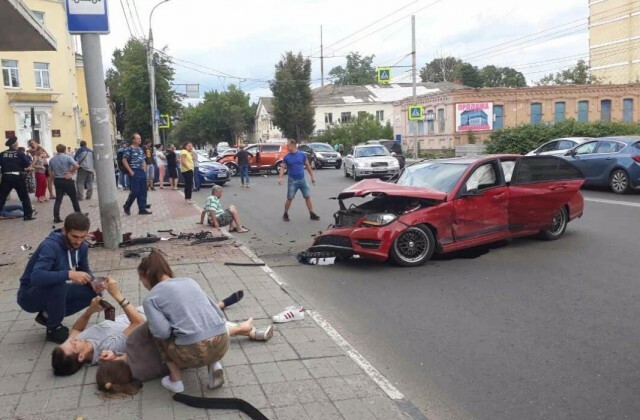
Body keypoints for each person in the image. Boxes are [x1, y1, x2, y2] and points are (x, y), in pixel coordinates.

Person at [139, 250, 229, 393]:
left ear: (146, 275)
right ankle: (214, 364)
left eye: (141, 279)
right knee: (203, 323)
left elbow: (162, 332)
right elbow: (217, 312)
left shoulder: (151, 298)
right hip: (223, 342)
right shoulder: (190, 281)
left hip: (192, 353)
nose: (142, 284)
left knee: (155, 333)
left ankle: (176, 380)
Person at [17, 213, 99, 343]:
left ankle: (47, 316)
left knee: (94, 292)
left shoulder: (82, 246)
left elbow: (84, 269)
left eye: (82, 237)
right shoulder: (50, 246)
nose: (78, 241)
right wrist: (69, 274)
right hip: (29, 295)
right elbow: (36, 276)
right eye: (74, 236)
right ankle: (53, 329)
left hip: (54, 290)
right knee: (58, 283)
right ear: (64, 231)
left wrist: (94, 281)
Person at [51, 277, 145, 376]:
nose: (73, 339)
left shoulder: (72, 344)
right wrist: (116, 294)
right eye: (73, 344)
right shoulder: (107, 349)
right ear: (81, 356)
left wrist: (90, 311)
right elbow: (139, 323)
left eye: (69, 341)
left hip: (138, 310)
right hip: (149, 316)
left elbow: (76, 329)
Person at [278, 139, 319, 222]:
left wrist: (312, 177)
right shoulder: (286, 157)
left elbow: (307, 166)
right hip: (292, 180)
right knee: (290, 198)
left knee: (307, 196)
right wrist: (280, 178)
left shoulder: (302, 155)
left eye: (288, 145)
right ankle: (285, 214)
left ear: (293, 145)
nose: (286, 147)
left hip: (302, 179)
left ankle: (312, 213)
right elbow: (282, 168)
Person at [0, 136, 35, 221]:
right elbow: (27, 164)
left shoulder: (2, 154)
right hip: (17, 177)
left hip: (6, 176)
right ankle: (27, 216)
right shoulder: (20, 154)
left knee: (1, 196)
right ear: (15, 144)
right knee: (24, 197)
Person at [49, 144, 81, 224]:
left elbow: (50, 171)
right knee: (74, 199)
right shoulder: (68, 157)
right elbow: (76, 166)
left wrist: (53, 178)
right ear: (64, 150)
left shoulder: (52, 159)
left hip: (57, 180)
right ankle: (79, 215)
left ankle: (56, 217)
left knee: (58, 199)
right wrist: (70, 172)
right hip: (67, 180)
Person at [122, 133, 152, 216]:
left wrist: (144, 169)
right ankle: (127, 206)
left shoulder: (140, 149)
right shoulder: (129, 149)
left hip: (141, 171)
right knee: (135, 191)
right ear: (133, 140)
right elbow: (124, 160)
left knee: (143, 191)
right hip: (134, 171)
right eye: (138, 138)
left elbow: (143, 160)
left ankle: (142, 209)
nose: (140, 140)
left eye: (140, 138)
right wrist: (130, 171)